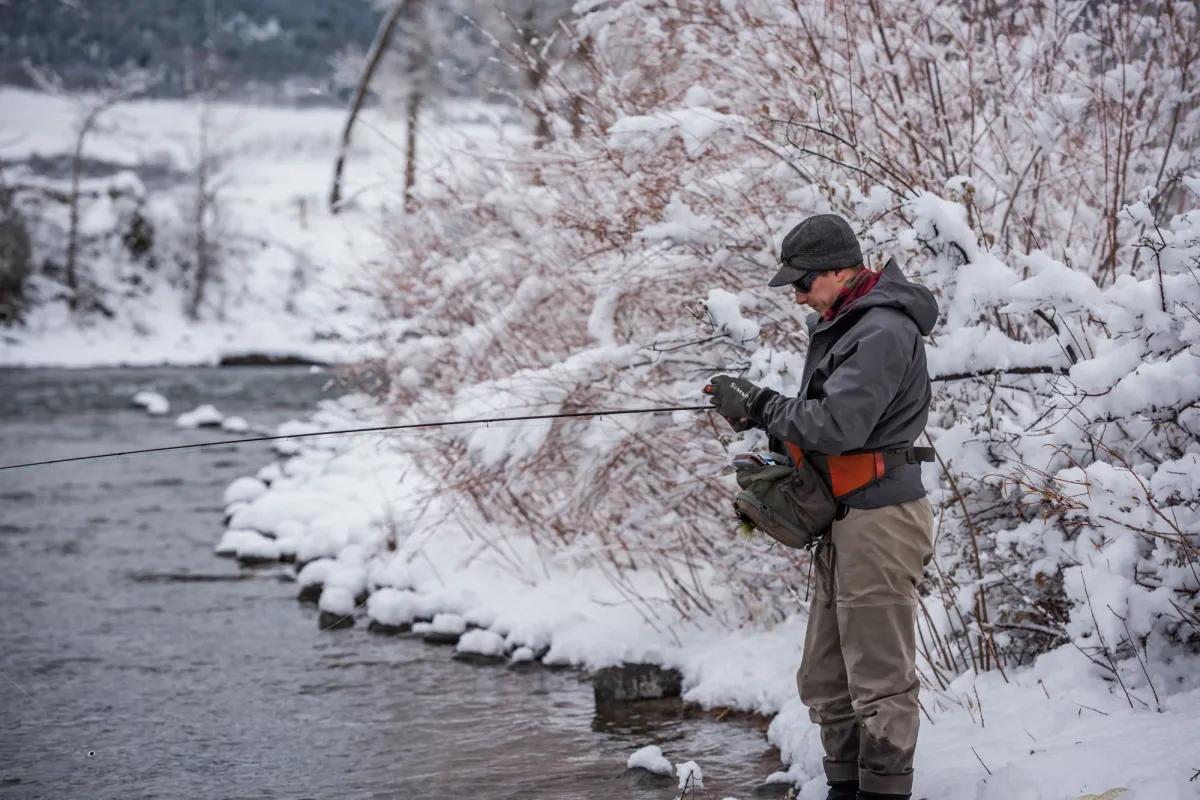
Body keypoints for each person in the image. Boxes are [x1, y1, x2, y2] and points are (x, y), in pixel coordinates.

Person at [704, 213, 939, 800]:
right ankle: (842, 788)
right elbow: (829, 427)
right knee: (826, 678)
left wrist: (760, 403)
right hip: (845, 519)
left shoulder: (882, 328)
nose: (798, 295)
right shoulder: (846, 325)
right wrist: (762, 422)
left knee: (879, 681)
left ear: (841, 269)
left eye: (804, 282)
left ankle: (883, 792)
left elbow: (838, 424)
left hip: (881, 522)